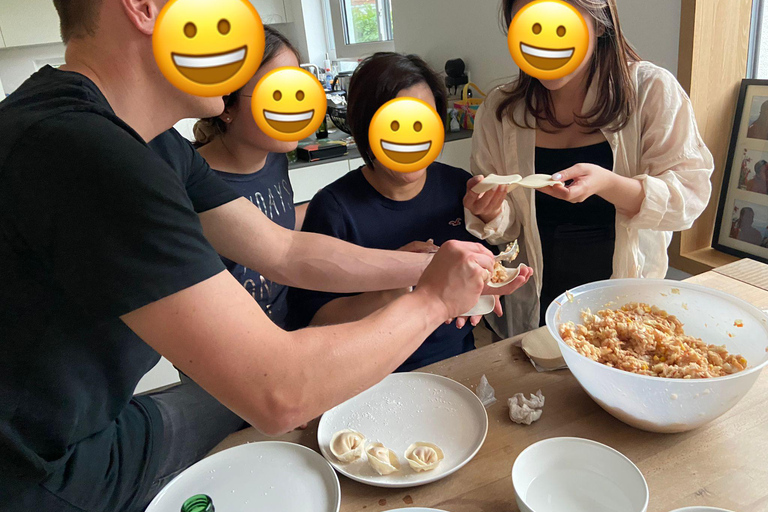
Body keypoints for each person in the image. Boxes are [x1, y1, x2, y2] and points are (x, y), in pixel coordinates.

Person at [0, 1, 530, 511]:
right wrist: (434, 300)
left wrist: (437, 267)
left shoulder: (149, 141)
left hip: (93, 424)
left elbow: (284, 249)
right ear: (144, 8)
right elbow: (280, 393)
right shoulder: (83, 152)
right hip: (44, 475)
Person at [463, 0, 713, 336]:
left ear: (598, 22)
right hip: (531, 312)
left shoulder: (651, 91)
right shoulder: (500, 110)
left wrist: (609, 185)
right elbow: (510, 232)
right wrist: (491, 214)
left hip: (627, 316)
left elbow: (688, 200)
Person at [288, 53, 532, 371]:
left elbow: (481, 271)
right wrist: (399, 283)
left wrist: (484, 283)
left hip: (459, 363)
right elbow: (314, 325)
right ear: (366, 126)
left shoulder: (459, 187)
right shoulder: (333, 210)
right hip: (371, 377)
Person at [175, 26, 306, 329]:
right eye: (276, 93)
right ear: (227, 106)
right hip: (224, 355)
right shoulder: (191, 182)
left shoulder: (275, 158)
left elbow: (274, 224)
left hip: (286, 332)